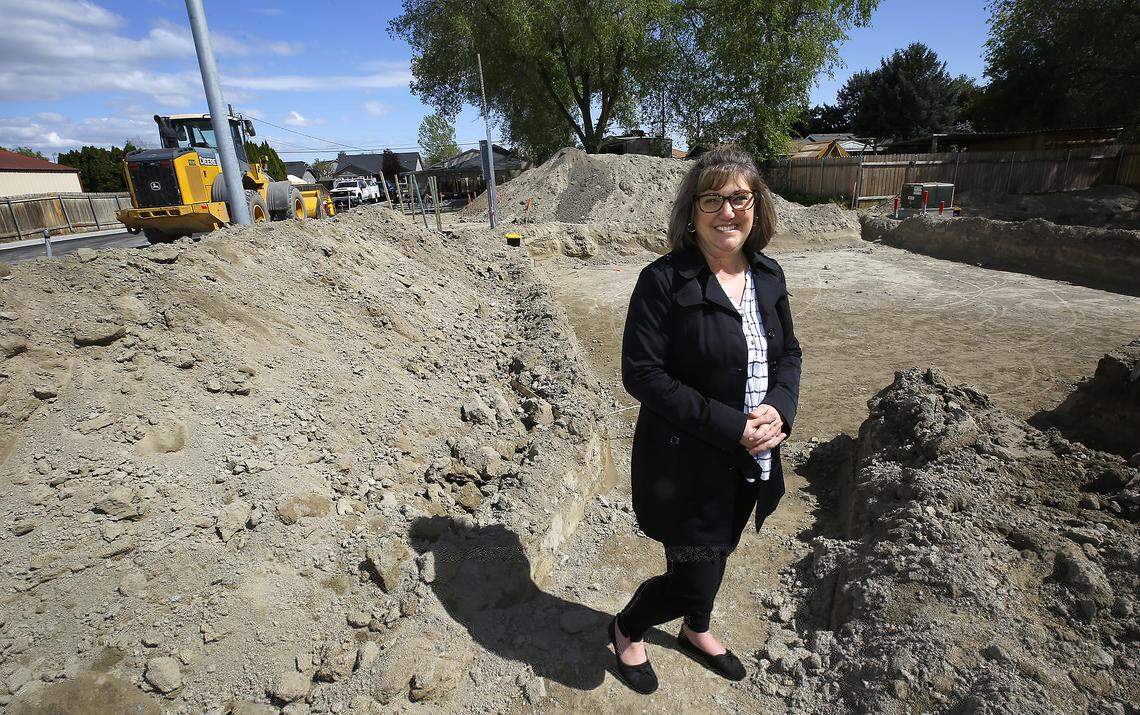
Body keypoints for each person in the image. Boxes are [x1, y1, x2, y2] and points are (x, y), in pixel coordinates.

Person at [606, 144, 802, 693]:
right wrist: (732, 426)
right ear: (691, 213)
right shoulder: (663, 281)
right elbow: (642, 374)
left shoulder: (768, 276)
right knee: (695, 571)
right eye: (711, 199)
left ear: (756, 206)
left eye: (739, 198)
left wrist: (780, 410)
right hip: (685, 463)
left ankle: (696, 628)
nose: (727, 212)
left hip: (754, 456)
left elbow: (790, 354)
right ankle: (628, 626)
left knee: (721, 550)